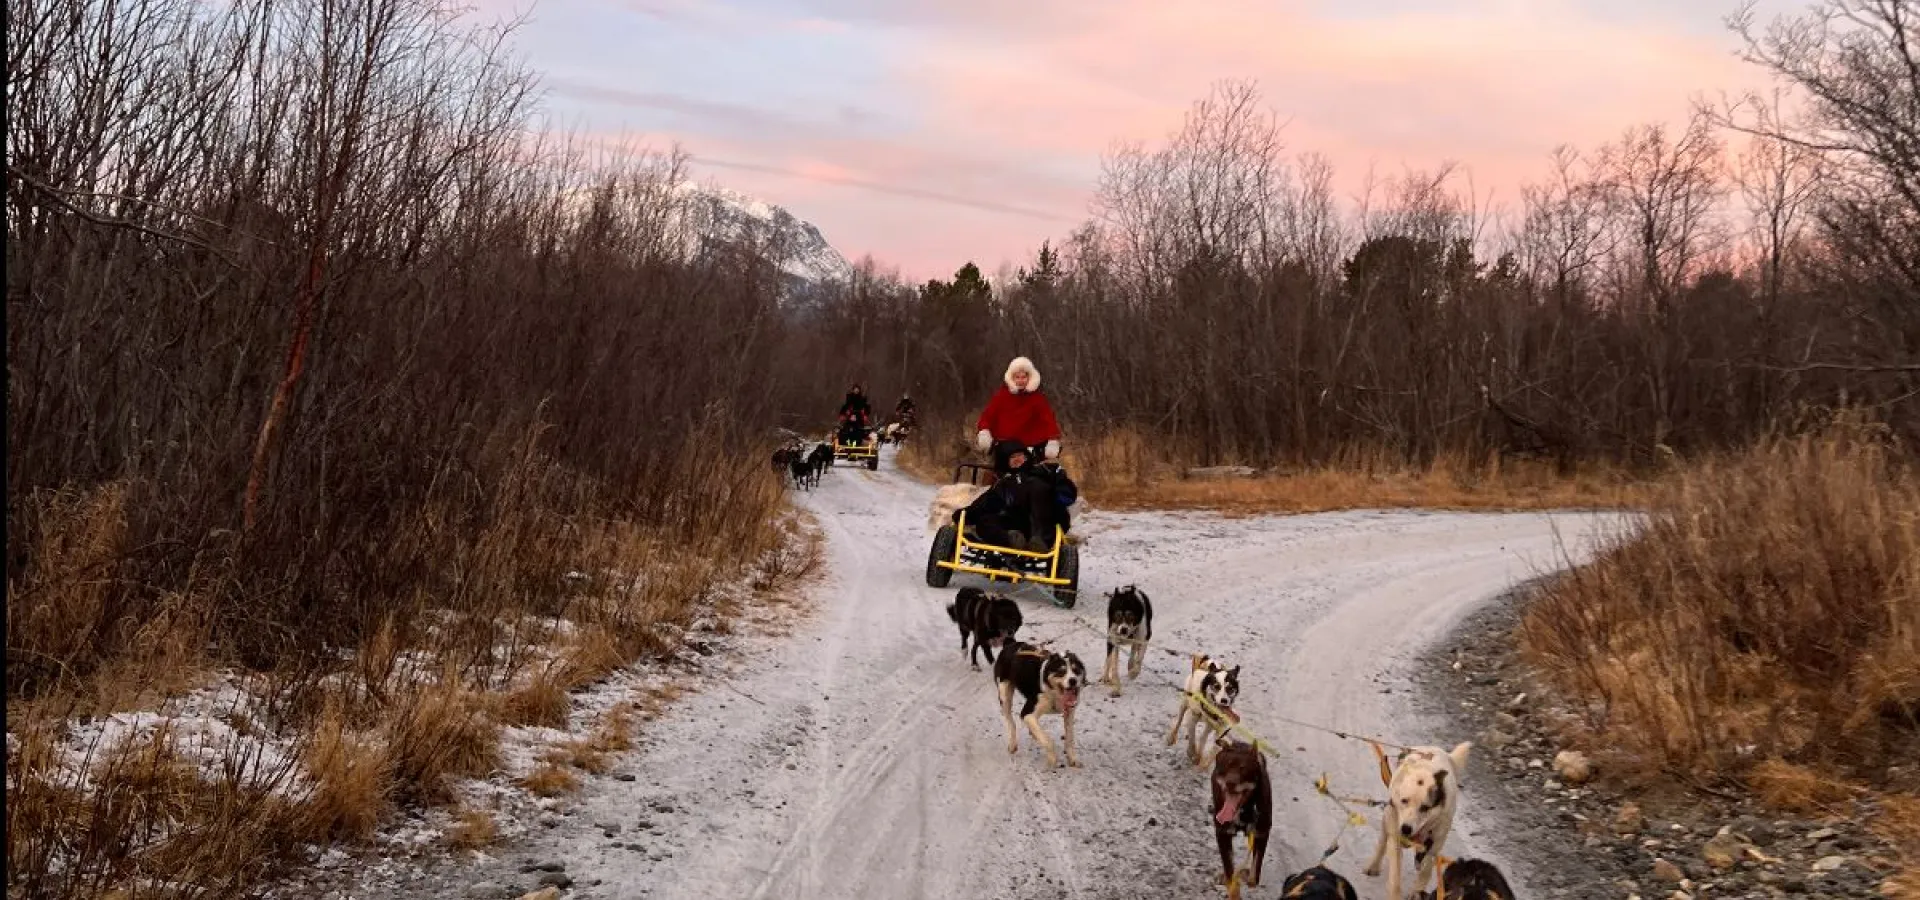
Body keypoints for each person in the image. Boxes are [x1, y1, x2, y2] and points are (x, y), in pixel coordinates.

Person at [975, 357, 1061, 462]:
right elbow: (987, 416)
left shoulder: (1037, 398)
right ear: (1012, 378)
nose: (1021, 380)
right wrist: (985, 432)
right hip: (1004, 446)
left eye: (1024, 377)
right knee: (993, 473)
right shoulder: (1002, 396)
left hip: (1030, 448)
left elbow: (1048, 419)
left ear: (1029, 378)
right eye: (1017, 377)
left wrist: (1053, 440)